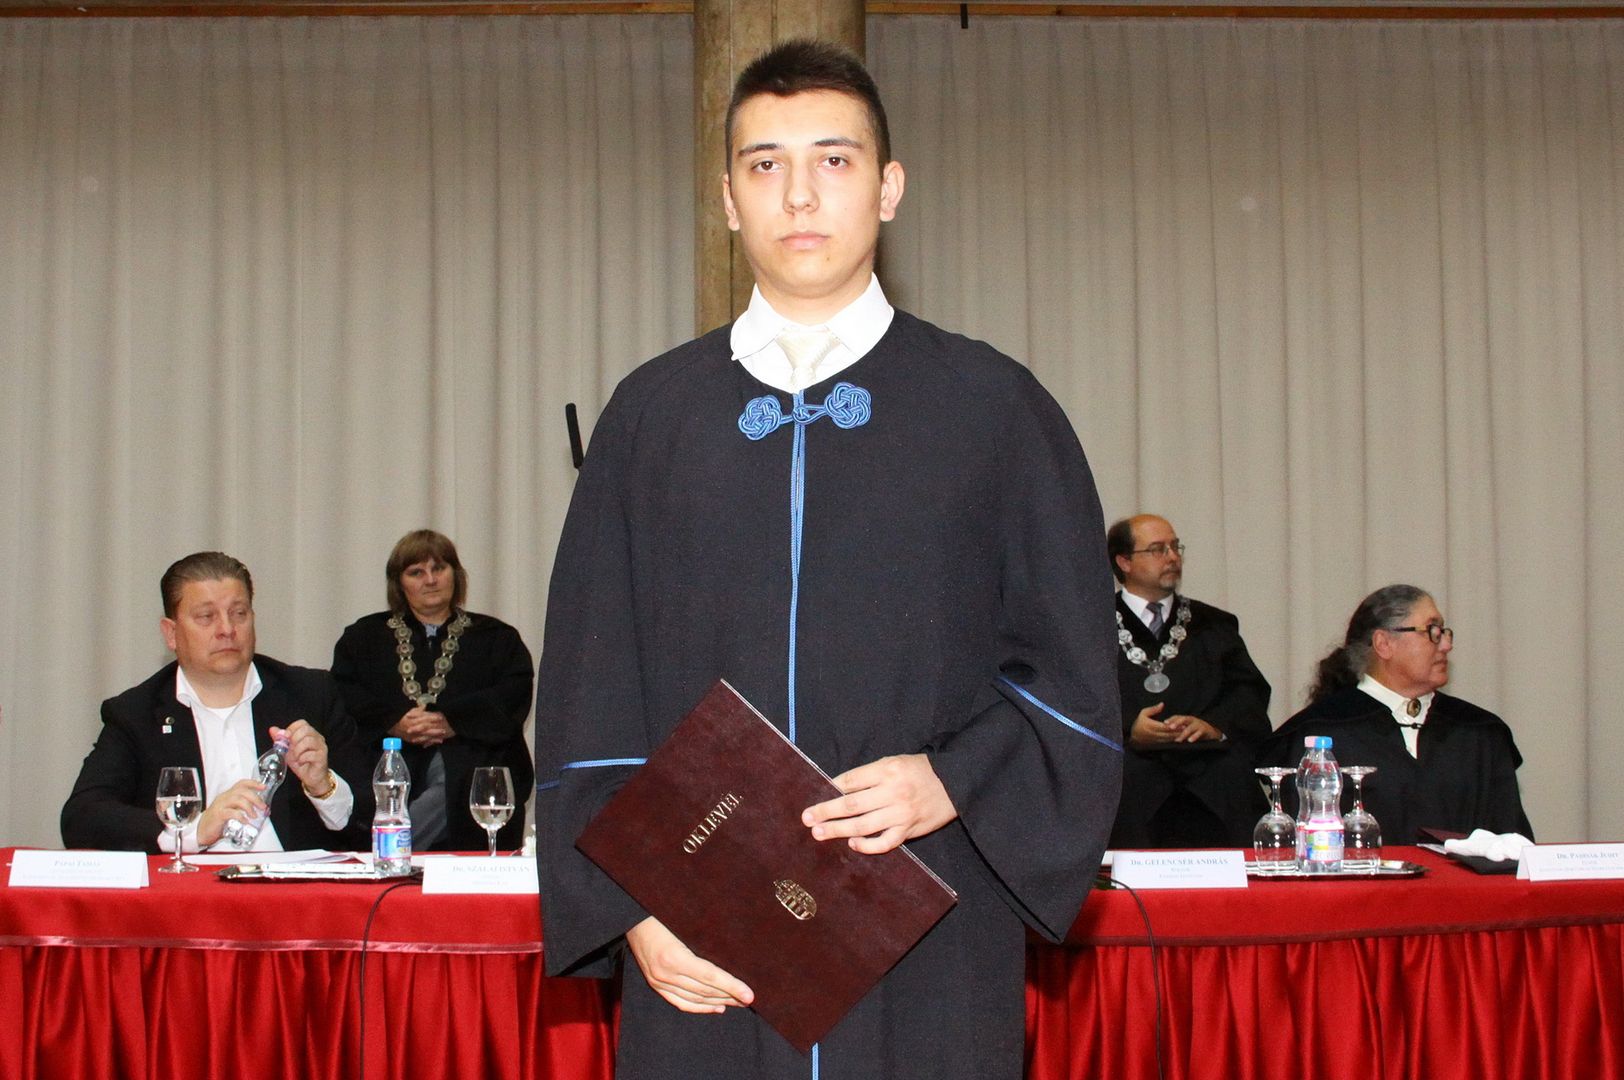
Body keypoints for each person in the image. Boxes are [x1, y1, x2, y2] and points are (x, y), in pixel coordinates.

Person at [533, 39, 1122, 1080]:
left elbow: (1072, 671)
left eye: (833, 160)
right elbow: (591, 694)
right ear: (727, 199)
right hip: (701, 933)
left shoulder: (993, 410)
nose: (798, 194)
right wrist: (630, 910)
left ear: (888, 188)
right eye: (764, 164)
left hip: (929, 920)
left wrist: (954, 780)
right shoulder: (652, 418)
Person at [62, 552, 370, 853]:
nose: (227, 629)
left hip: (292, 882)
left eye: (239, 613)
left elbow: (375, 818)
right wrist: (192, 830)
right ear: (171, 633)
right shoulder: (137, 713)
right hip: (187, 884)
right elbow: (83, 818)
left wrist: (324, 787)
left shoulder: (310, 695)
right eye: (206, 617)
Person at [1262, 584, 1533, 841]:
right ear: (1384, 643)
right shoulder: (1320, 734)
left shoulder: (1479, 732)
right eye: (1432, 631)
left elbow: (1512, 845)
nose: (1446, 645)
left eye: (1444, 632)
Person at [331, 530, 534, 852]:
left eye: (438, 568)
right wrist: (393, 722)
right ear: (399, 583)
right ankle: (389, 852)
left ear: (456, 574)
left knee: (458, 773)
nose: (430, 580)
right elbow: (343, 694)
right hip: (390, 759)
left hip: (471, 761)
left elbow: (513, 694)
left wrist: (454, 721)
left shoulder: (497, 637)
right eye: (416, 572)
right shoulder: (363, 638)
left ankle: (386, 852)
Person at [1107, 514, 1272, 847]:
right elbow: (1075, 699)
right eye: (1157, 549)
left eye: (1175, 547)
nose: (1172, 557)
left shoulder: (1215, 624)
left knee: (1232, 778)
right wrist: (1127, 728)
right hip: (1130, 775)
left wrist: (1213, 725)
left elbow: (1248, 692)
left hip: (1210, 772)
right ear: (1124, 561)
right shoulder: (1091, 627)